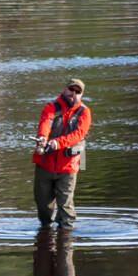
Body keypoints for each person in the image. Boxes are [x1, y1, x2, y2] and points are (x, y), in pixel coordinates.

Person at [32, 78, 91, 229]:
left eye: (78, 92)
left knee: (66, 207)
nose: (73, 93)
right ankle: (47, 231)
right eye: (71, 89)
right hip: (45, 163)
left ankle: (65, 241)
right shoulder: (51, 106)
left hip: (69, 166)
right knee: (43, 206)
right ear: (65, 89)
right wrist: (43, 138)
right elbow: (45, 122)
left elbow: (78, 134)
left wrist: (58, 143)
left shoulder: (85, 112)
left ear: (81, 95)